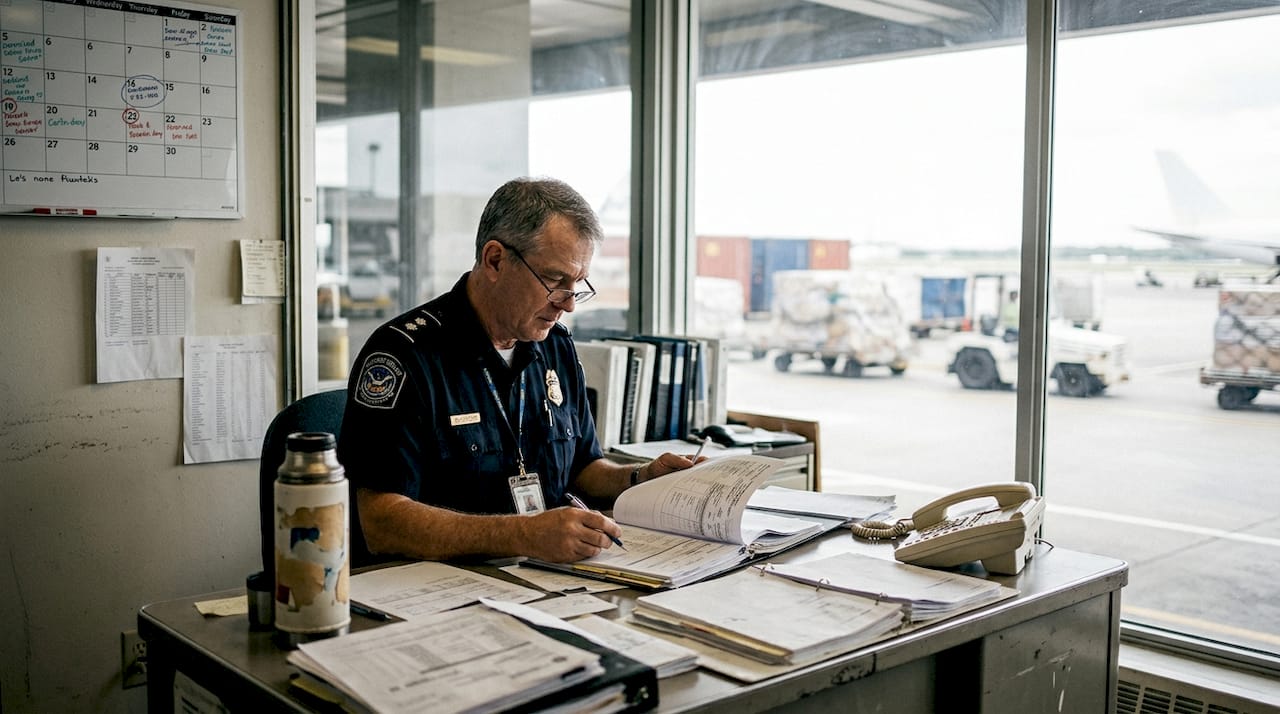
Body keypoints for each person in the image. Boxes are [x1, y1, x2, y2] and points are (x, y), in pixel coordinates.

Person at [338, 177, 700, 565]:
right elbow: (380, 522)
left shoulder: (555, 346)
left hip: (540, 580)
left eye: (577, 284)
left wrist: (641, 479)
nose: (568, 304)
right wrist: (523, 534)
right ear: (495, 260)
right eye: (554, 280)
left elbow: (583, 467)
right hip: (435, 590)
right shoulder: (405, 356)